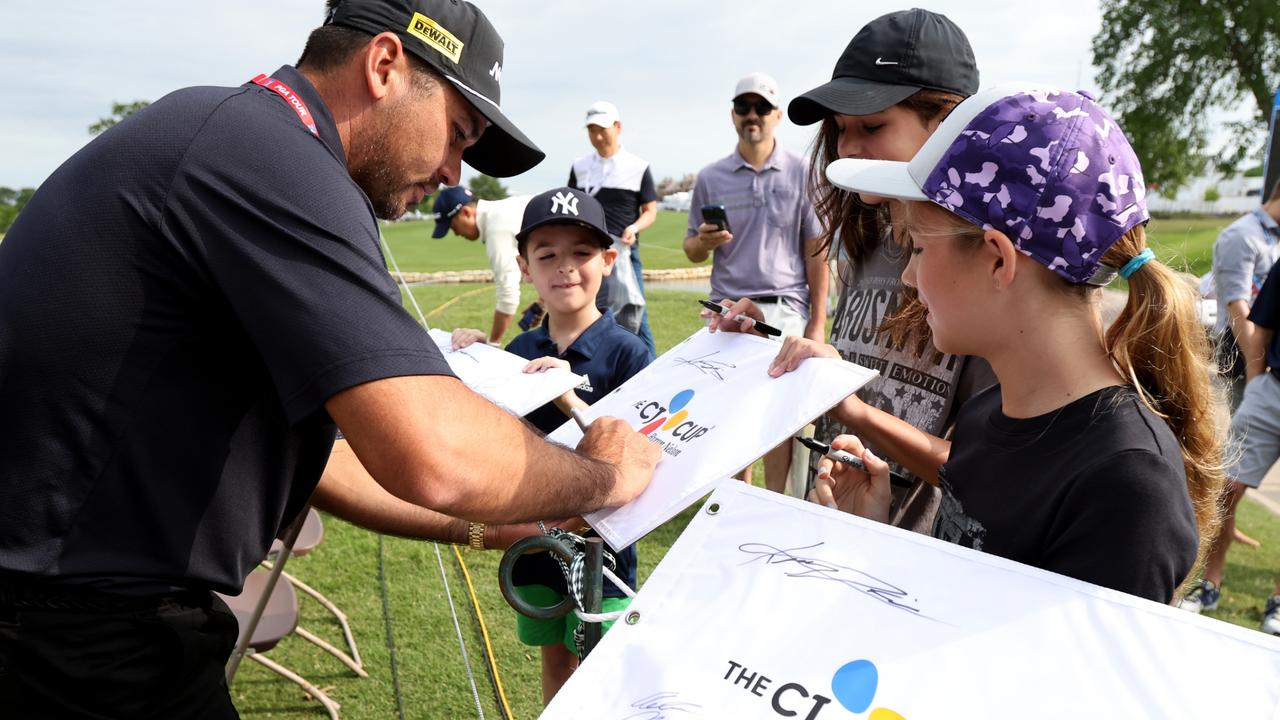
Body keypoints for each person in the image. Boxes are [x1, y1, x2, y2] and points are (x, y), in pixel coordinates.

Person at [0, 2, 660, 716]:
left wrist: (500, 526)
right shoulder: (270, 156)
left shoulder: (239, 137)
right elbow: (432, 449)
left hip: (72, 612)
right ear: (384, 66)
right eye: (457, 134)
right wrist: (603, 476)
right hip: (75, 630)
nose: (451, 172)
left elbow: (331, 460)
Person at [794, 84, 1225, 604]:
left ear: (998, 259)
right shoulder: (991, 413)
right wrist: (875, 537)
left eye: (917, 246)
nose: (907, 277)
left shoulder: (1126, 486)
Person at [702, 9, 993, 529]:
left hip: (910, 555)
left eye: (873, 126)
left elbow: (984, 471)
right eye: (839, 129)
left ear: (949, 124)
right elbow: (849, 368)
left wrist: (855, 410)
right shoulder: (867, 237)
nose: (848, 149)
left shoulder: (981, 265)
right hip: (833, 524)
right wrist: (765, 343)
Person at [453, 186, 650, 703]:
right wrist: (475, 361)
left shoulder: (627, 354)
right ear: (523, 266)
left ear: (609, 260)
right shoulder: (520, 350)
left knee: (602, 674)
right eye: (547, 255)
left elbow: (642, 457)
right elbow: (490, 435)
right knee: (556, 664)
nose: (565, 268)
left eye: (582, 253)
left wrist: (568, 397)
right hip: (535, 545)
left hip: (601, 553)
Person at [684, 72, 825, 493]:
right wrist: (703, 241)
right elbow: (692, 249)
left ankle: (775, 499)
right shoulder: (711, 176)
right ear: (733, 114)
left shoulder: (803, 170)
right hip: (726, 308)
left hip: (784, 304)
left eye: (761, 107)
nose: (753, 115)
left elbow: (816, 251)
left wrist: (818, 322)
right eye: (744, 107)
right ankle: (734, 496)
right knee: (729, 412)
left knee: (777, 414)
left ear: (776, 115)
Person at [1181, 249, 1280, 627]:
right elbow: (1262, 331)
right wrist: (1256, 387)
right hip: (1271, 391)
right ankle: (1208, 582)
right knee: (1224, 489)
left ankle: (1278, 601)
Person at [569, 100, 659, 358]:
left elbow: (650, 210)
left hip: (624, 254)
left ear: (618, 127)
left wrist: (634, 227)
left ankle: (647, 368)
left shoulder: (637, 166)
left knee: (635, 314)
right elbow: (572, 205)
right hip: (587, 254)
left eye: (603, 129)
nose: (597, 136)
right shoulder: (580, 165)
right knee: (589, 312)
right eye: (591, 130)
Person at [1208, 183, 1280, 410]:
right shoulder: (1241, 235)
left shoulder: (1273, 235)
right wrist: (1256, 375)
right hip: (1243, 351)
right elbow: (1238, 308)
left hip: (1267, 351)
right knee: (1245, 437)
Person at [431, 184, 533, 343]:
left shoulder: (497, 228)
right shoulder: (501, 211)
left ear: (466, 212)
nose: (456, 234)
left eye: (452, 227)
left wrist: (492, 345)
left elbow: (508, 297)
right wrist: (542, 303)